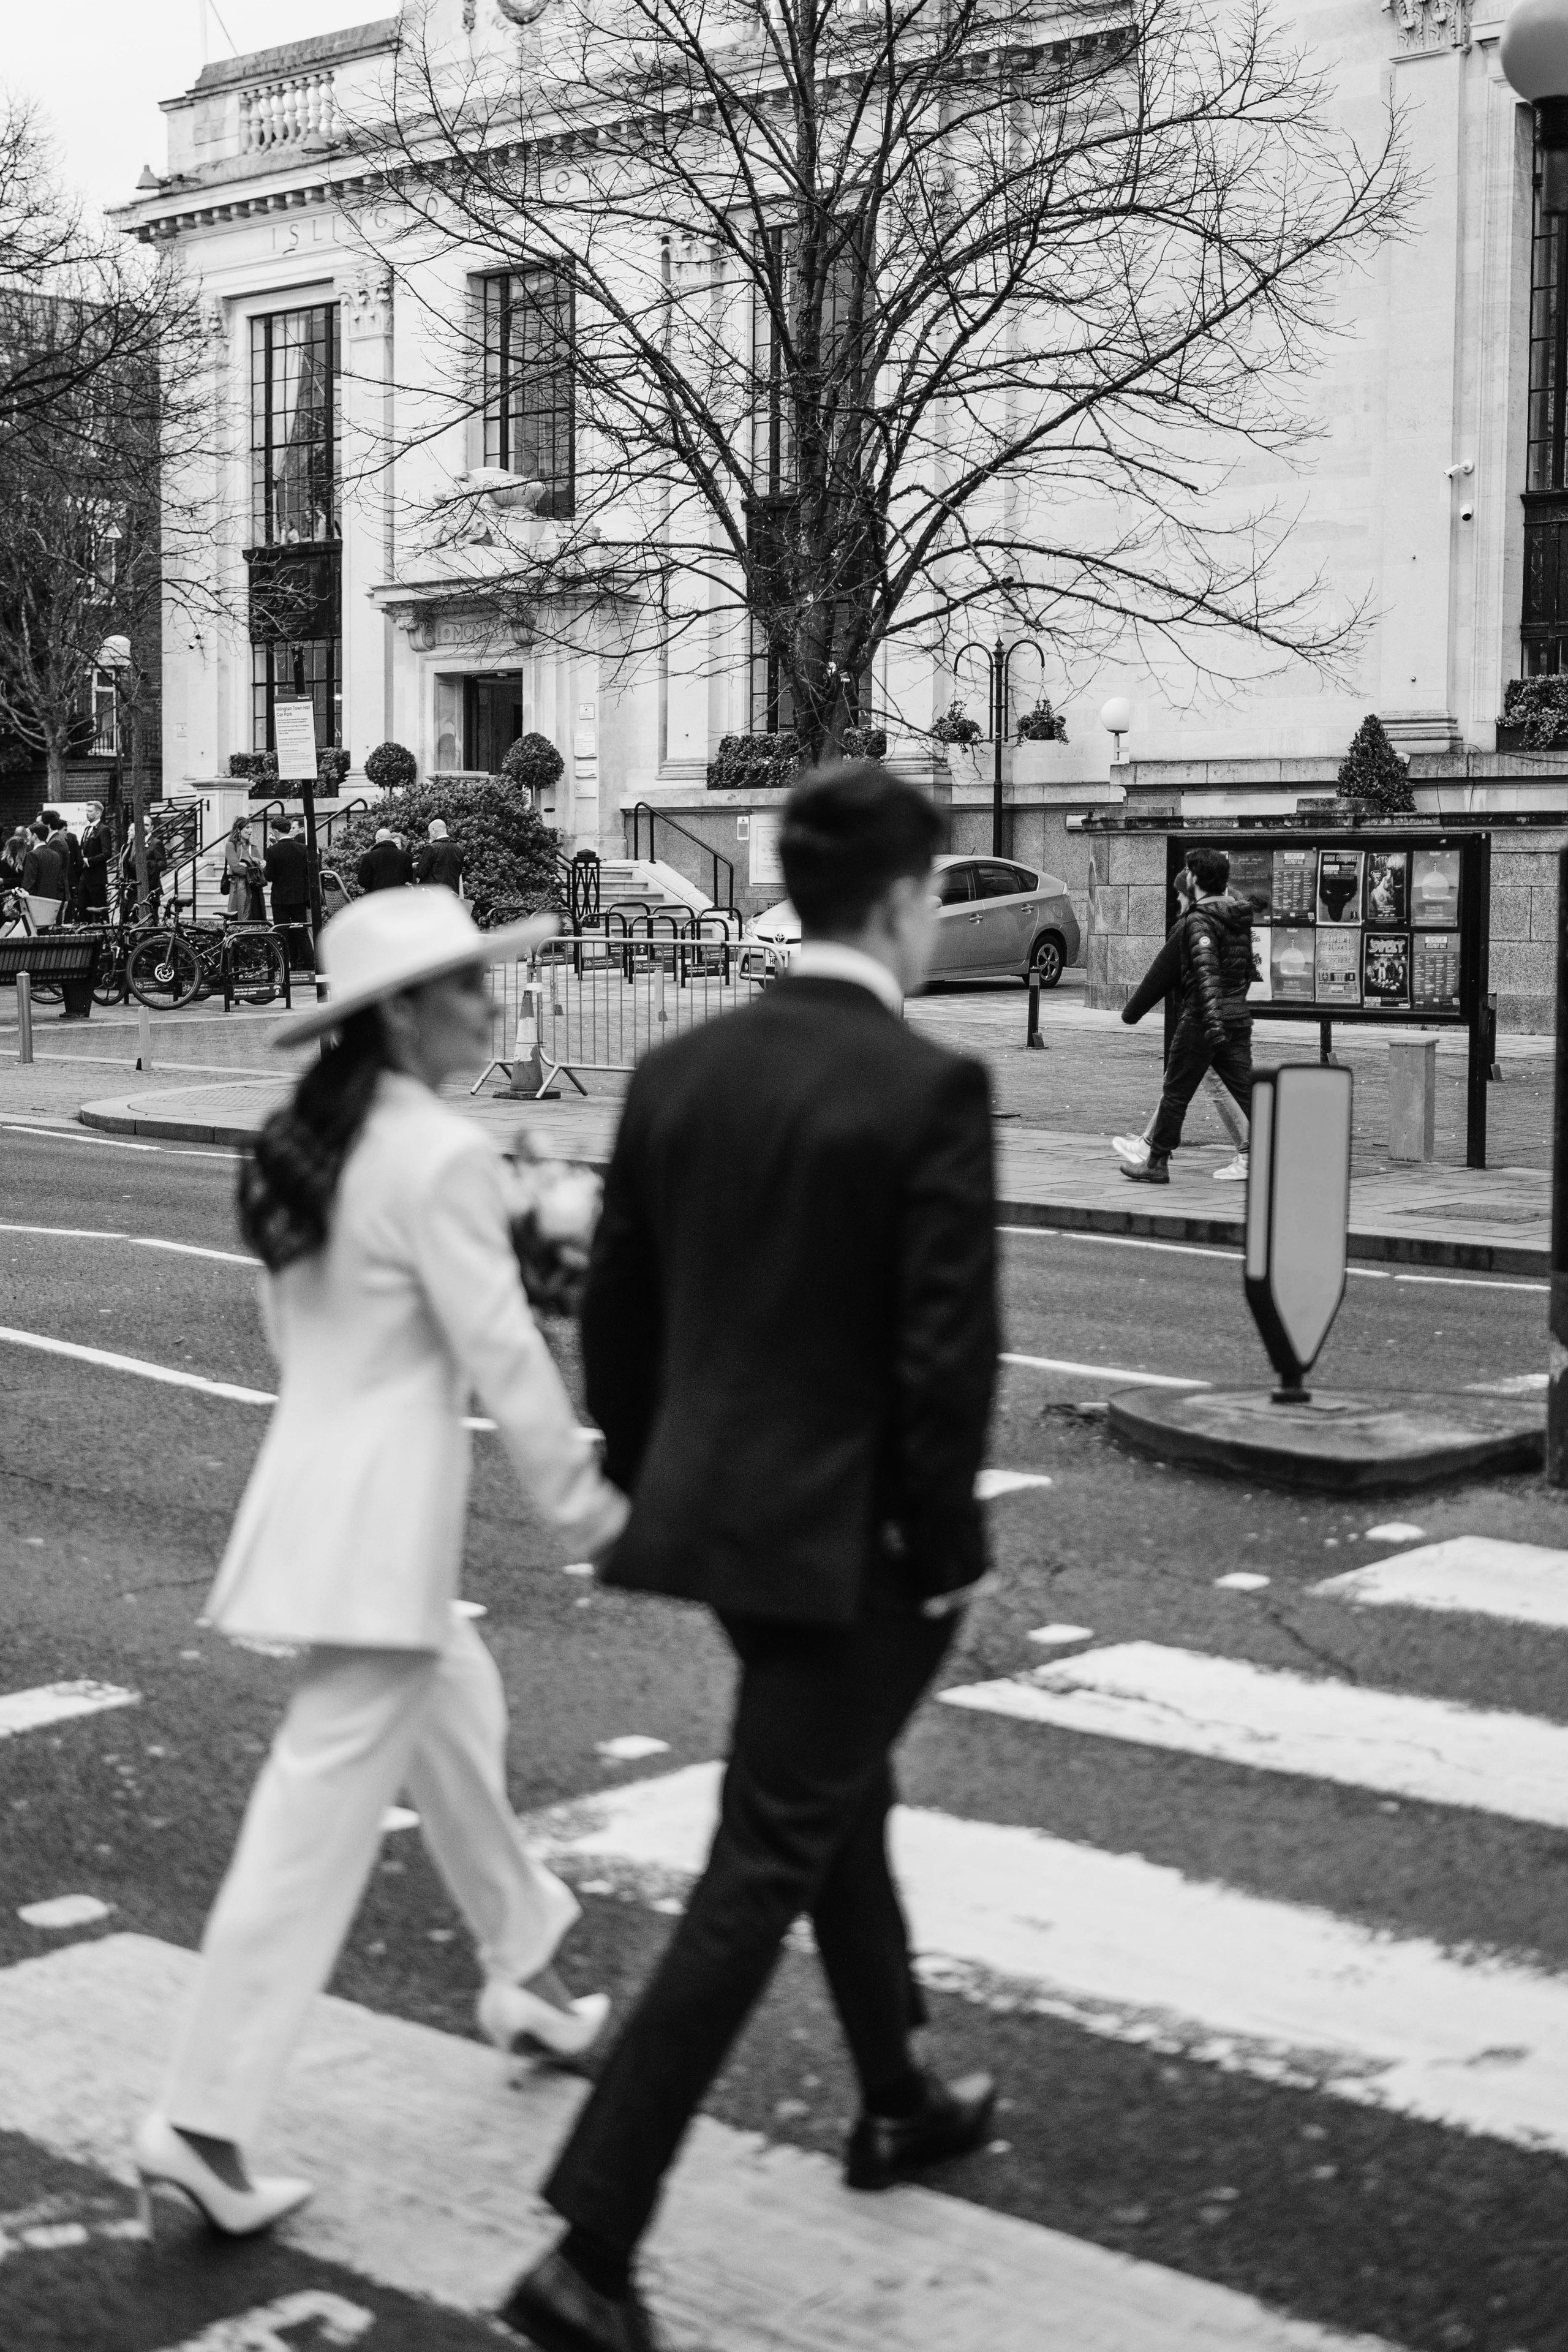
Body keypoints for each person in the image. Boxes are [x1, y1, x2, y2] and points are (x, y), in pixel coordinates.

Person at [500, 764, 1000, 2352]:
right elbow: (944, 1362)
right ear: (911, 900)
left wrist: (659, 1483)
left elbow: (623, 1317)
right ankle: (590, 2244)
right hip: (858, 1545)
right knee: (761, 1860)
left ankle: (902, 2089)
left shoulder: (686, 1068)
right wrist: (948, 1548)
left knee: (827, 1796)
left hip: (724, 1527)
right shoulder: (928, 1091)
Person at [134, 888, 628, 2240]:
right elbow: (506, 1361)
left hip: (317, 1495)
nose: (491, 1001)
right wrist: (590, 1510)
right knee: (308, 1837)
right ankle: (201, 2118)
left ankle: (523, 1965)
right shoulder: (437, 1156)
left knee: (458, 1714)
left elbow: (306, 1346)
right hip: (377, 1529)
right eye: (468, 985)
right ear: (401, 1013)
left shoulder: (308, 1141)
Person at [1119, 844, 1256, 1186]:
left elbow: (1164, 974)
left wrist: (1131, 1013)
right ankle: (1284, 1154)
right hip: (1236, 1018)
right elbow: (1244, 973)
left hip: (1203, 1021)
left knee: (1176, 1092)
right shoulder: (1238, 918)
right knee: (1249, 1094)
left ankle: (1156, 1162)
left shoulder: (1195, 922)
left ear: (1194, 879)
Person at [264, 818, 314, 968]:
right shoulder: (302, 849)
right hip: (299, 897)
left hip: (280, 899)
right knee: (302, 933)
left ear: (277, 832)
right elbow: (308, 872)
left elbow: (270, 876)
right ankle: (311, 966)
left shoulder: (273, 850)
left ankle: (284, 966)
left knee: (281, 933)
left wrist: (264, 868)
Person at [21, 820, 68, 925]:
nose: (27, 838)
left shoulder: (32, 855)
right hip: (53, 902)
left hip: (37, 904)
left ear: (35, 836)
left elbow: (29, 883)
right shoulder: (55, 854)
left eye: (29, 835)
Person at [42, 809, 84, 919]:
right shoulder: (57, 839)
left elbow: (55, 869)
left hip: (56, 891)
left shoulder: (56, 842)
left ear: (47, 826)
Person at [223, 818, 265, 923]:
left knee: (256, 918)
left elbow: (262, 867)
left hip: (255, 888)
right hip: (239, 887)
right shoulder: (231, 846)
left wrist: (247, 865)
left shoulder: (253, 847)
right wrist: (254, 866)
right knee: (240, 918)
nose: (251, 830)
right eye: (247, 827)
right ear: (238, 830)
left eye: (251, 827)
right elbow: (236, 868)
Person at [415, 816, 467, 894]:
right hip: (452, 894)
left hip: (433, 894)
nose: (430, 836)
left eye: (429, 833)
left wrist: (414, 866)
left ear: (434, 830)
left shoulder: (432, 847)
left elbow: (421, 872)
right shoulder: (459, 848)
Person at [357, 827, 415, 893]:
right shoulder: (406, 856)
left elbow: (363, 881)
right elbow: (409, 879)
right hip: (399, 897)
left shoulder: (369, 857)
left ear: (378, 839)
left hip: (377, 897)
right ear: (390, 839)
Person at [80, 803, 111, 921]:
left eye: (90, 811)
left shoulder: (103, 829)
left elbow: (107, 853)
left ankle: (105, 931)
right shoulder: (88, 829)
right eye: (86, 811)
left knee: (100, 907)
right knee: (83, 907)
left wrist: (89, 861)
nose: (87, 813)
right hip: (85, 876)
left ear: (98, 813)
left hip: (97, 877)